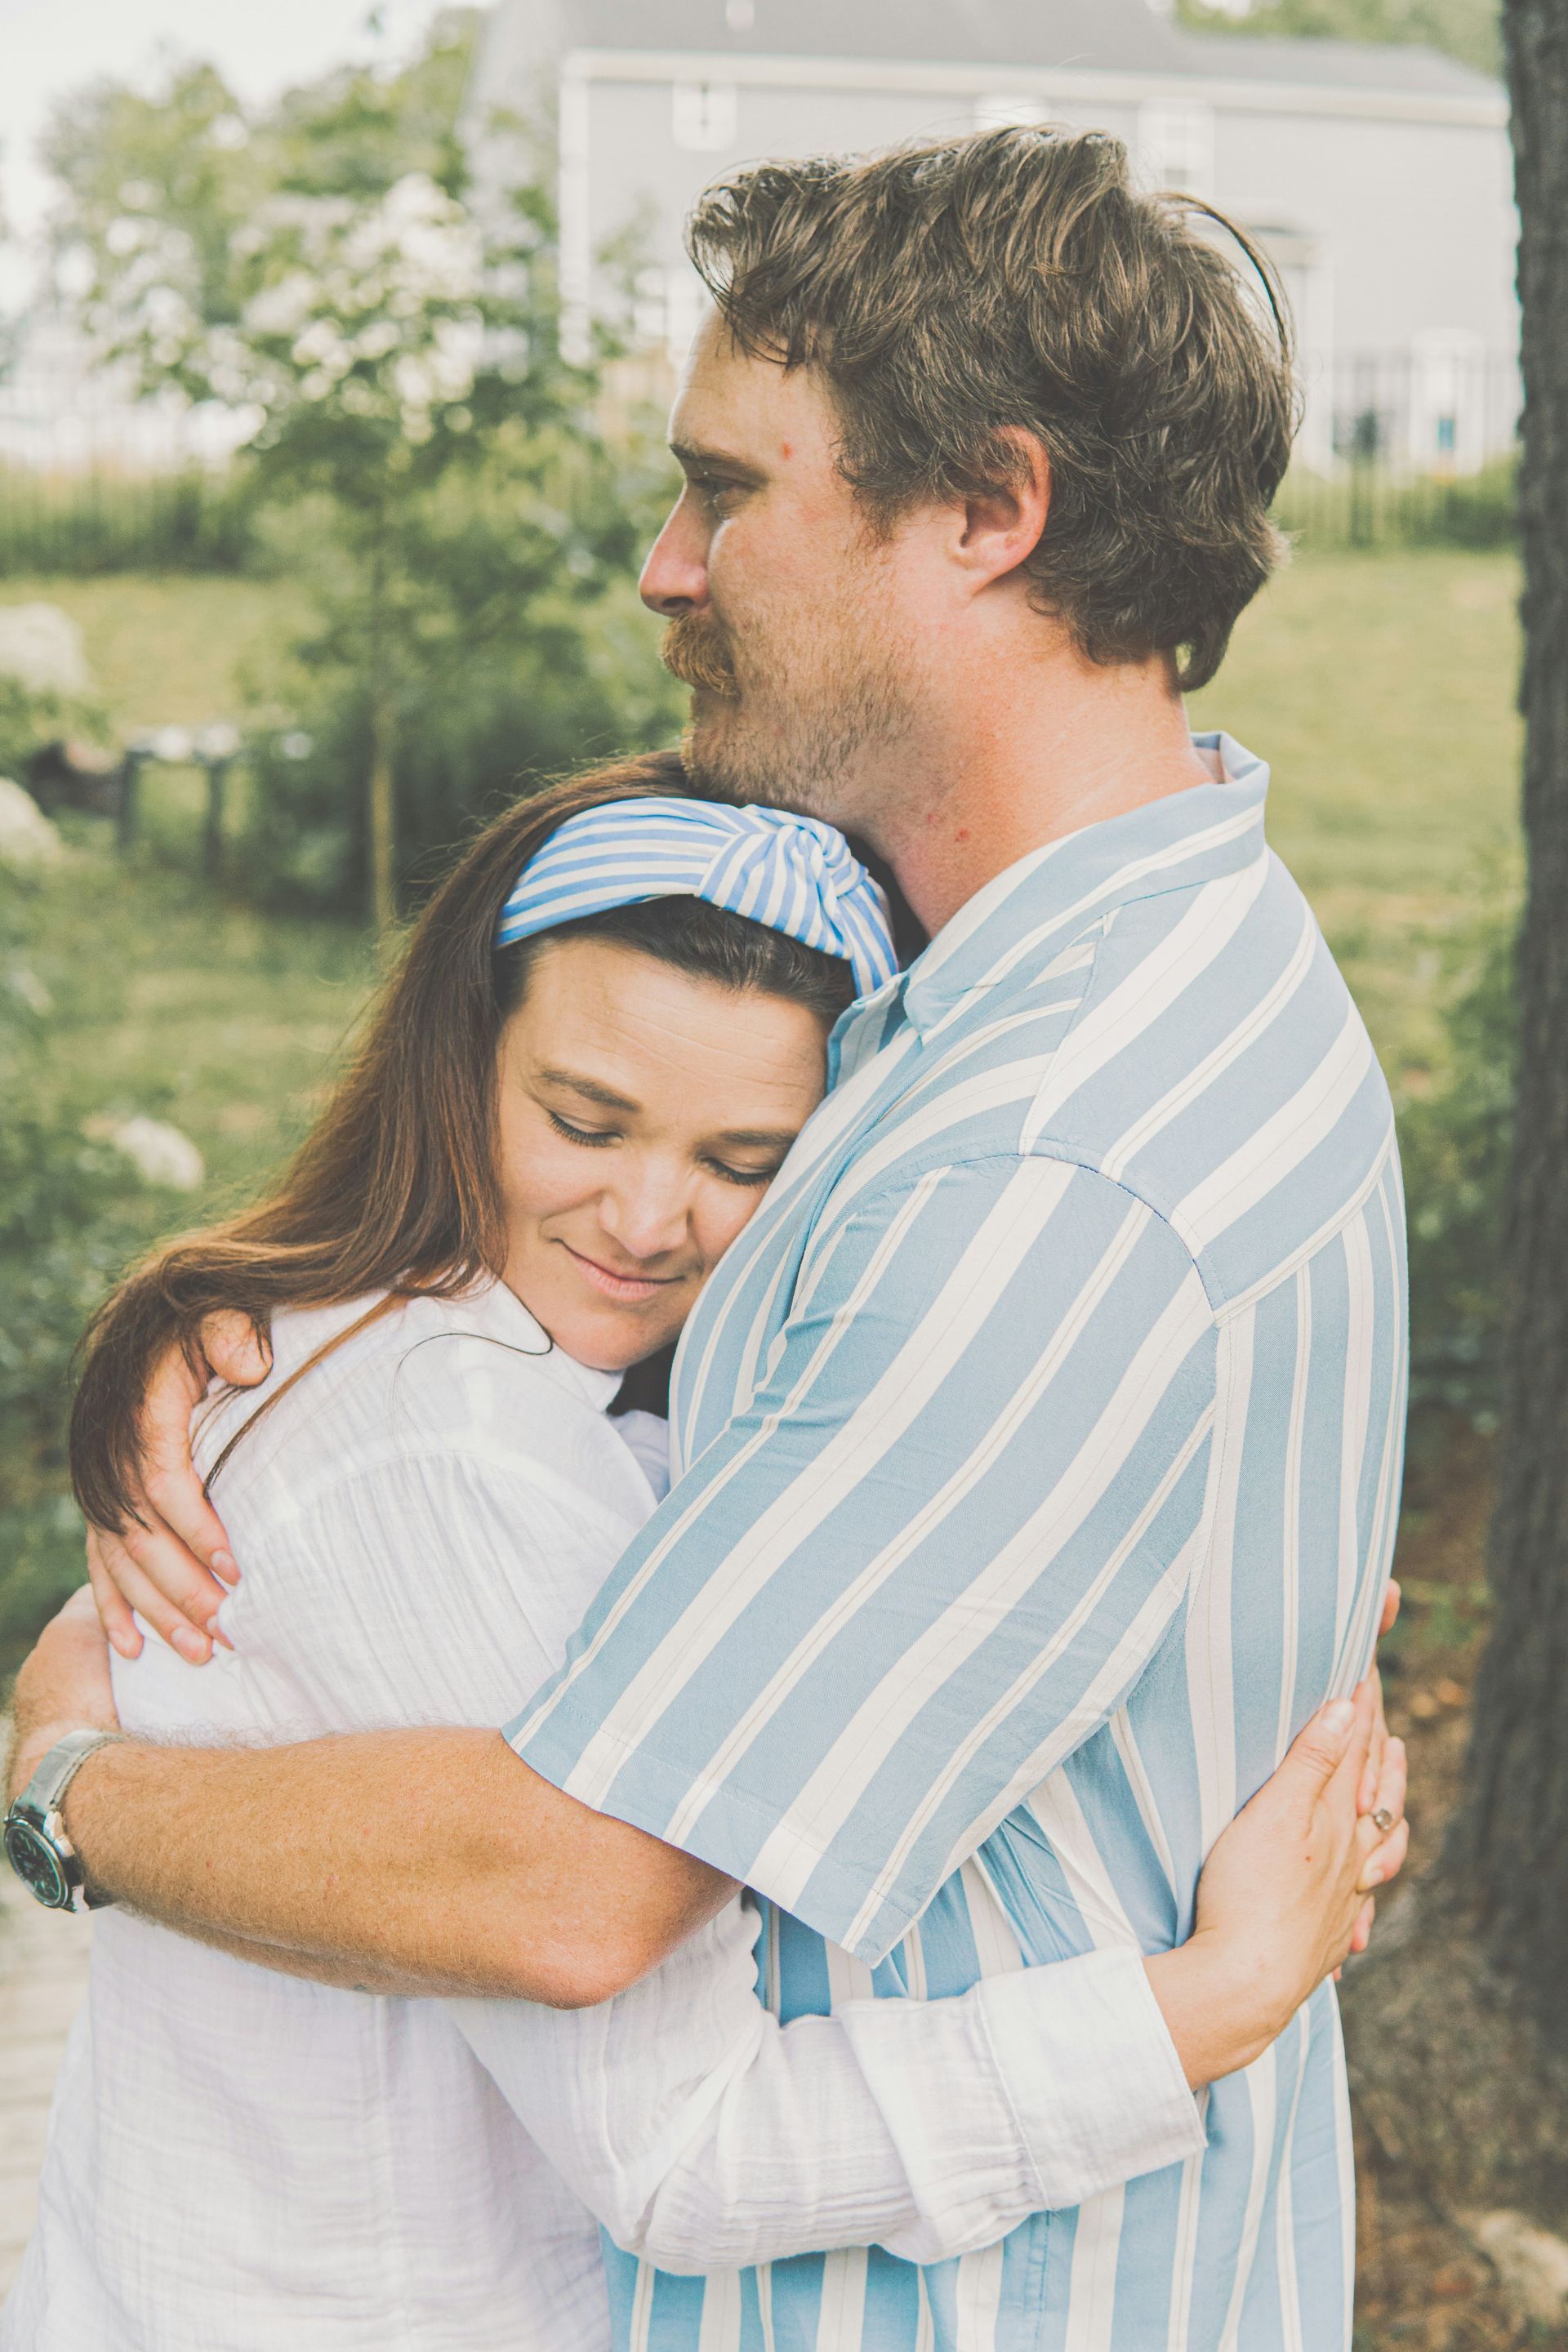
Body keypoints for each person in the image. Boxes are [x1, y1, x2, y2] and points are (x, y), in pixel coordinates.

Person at [9, 126, 1410, 2350]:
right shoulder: (1201, 964)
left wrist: (76, 1793)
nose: (664, 566)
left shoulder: (1029, 1181)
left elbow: (572, 1899)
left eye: (729, 489)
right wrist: (339, 1353)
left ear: (992, 508)